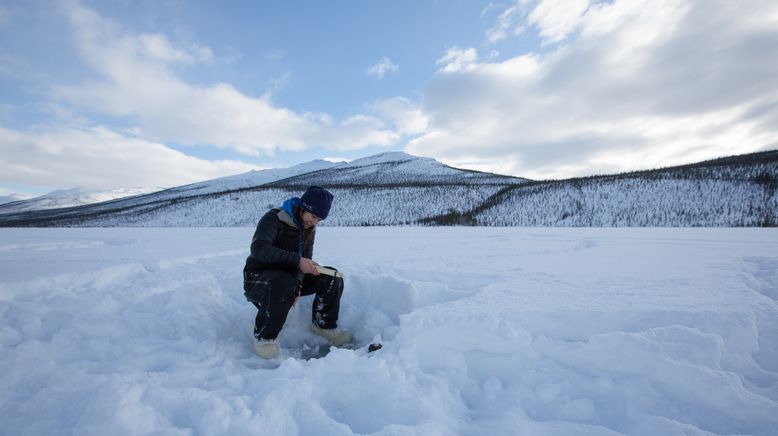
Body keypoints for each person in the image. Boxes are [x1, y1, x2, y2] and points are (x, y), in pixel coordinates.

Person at [243, 186, 352, 358]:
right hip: (258, 278)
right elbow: (259, 249)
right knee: (283, 283)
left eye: (319, 219)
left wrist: (298, 285)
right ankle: (264, 337)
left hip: (287, 277)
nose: (314, 222)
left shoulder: (308, 227)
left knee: (331, 277)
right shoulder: (274, 218)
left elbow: (305, 258)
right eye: (313, 216)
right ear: (303, 208)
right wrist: (297, 262)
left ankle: (324, 325)